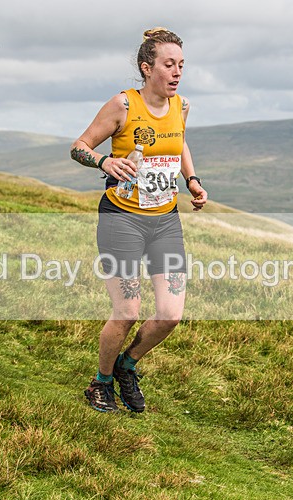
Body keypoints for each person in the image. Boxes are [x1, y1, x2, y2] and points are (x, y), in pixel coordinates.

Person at [70, 27, 208, 413]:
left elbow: (178, 140)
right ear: (148, 68)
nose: (177, 72)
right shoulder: (124, 105)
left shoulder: (180, 106)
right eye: (169, 64)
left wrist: (192, 180)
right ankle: (100, 384)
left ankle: (125, 367)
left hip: (165, 221)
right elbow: (79, 146)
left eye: (181, 65)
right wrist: (103, 160)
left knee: (170, 315)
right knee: (127, 312)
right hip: (122, 220)